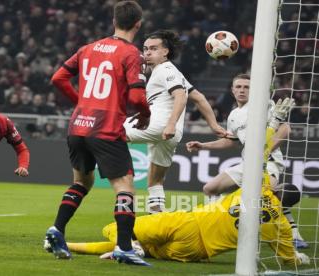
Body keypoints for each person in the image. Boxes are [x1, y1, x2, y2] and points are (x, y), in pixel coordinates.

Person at [45, 1, 151, 266]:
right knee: (124, 187)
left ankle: (56, 230)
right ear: (138, 23)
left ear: (114, 21)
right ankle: (125, 248)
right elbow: (138, 97)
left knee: (82, 183)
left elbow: (58, 78)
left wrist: (81, 102)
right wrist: (146, 114)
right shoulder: (131, 54)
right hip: (105, 128)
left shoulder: (87, 48)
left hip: (78, 126)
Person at [186, 74, 308, 249]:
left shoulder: (263, 105)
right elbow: (230, 141)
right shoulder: (234, 115)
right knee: (210, 189)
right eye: (239, 87)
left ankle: (294, 234)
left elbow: (285, 129)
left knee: (269, 195)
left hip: (269, 161)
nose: (242, 90)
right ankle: (213, 225)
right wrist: (203, 145)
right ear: (232, 90)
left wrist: (264, 152)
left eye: (247, 87)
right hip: (247, 162)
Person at [66, 184, 310, 266]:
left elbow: (262, 151)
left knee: (114, 229)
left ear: (277, 189)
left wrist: (274, 123)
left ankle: (131, 245)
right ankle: (68, 245)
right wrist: (300, 258)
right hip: (195, 252)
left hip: (189, 223)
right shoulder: (280, 225)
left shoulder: (261, 187)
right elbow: (288, 260)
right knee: (137, 248)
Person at [123, 30, 227, 213]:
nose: (147, 53)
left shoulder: (165, 70)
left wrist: (170, 124)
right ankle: (156, 219)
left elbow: (180, 96)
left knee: (106, 132)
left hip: (159, 124)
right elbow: (200, 98)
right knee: (155, 182)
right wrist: (214, 125)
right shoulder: (173, 71)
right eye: (146, 49)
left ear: (165, 52)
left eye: (153, 49)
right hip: (169, 134)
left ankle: (114, 186)